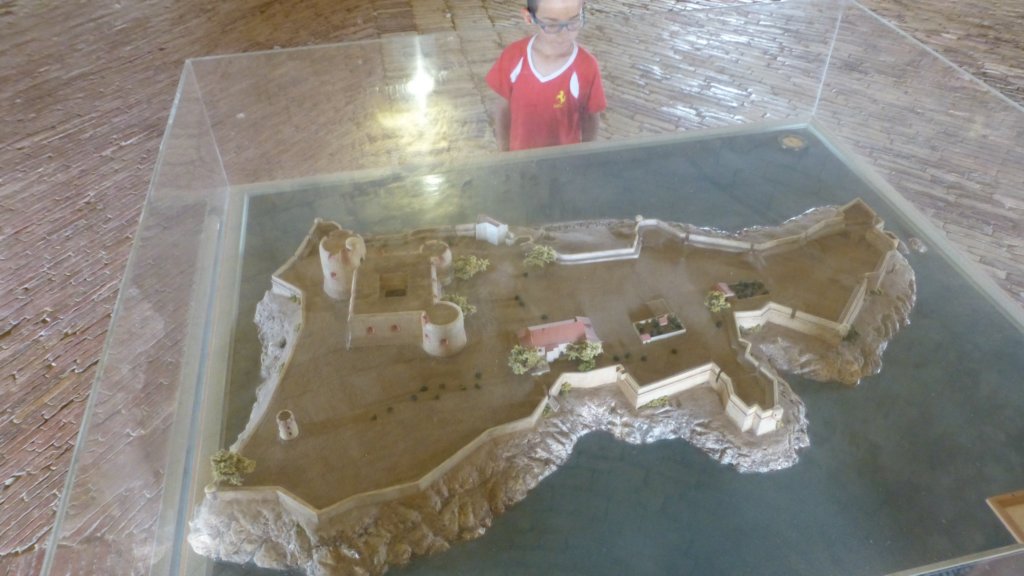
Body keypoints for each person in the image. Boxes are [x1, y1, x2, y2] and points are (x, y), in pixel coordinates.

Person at [486, 0, 606, 151]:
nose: (564, 34)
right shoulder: (513, 56)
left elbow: (591, 117)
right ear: (529, 17)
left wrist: (587, 153)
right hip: (521, 157)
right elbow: (503, 109)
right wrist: (504, 151)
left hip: (565, 159)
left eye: (573, 22)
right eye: (551, 25)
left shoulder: (587, 66)